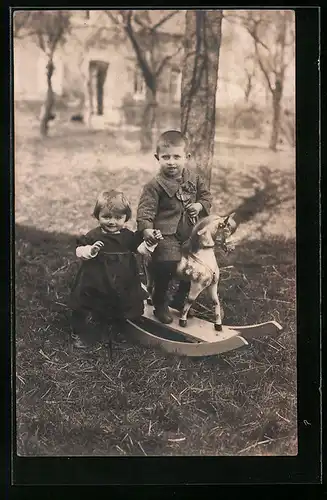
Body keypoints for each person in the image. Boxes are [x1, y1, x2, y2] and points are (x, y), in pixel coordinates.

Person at [136, 130, 212, 324]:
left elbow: (206, 197)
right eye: (165, 157)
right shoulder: (154, 186)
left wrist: (199, 205)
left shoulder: (194, 179)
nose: (171, 162)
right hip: (165, 235)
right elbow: (145, 212)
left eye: (176, 157)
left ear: (186, 157)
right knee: (168, 264)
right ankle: (159, 301)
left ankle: (180, 299)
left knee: (193, 266)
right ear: (157, 158)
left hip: (189, 232)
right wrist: (147, 231)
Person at [69, 190, 145, 348]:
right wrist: (91, 250)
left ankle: (116, 330)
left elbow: (140, 249)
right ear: (98, 216)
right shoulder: (94, 235)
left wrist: (150, 243)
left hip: (122, 278)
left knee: (122, 302)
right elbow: (79, 250)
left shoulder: (127, 236)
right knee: (86, 302)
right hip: (96, 278)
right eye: (106, 217)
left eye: (118, 218)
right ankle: (80, 332)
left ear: (126, 218)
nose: (112, 222)